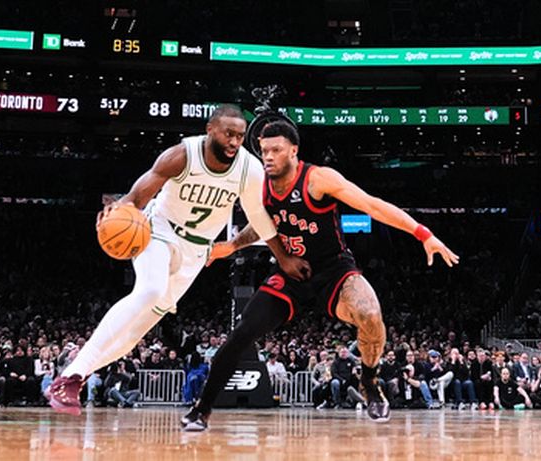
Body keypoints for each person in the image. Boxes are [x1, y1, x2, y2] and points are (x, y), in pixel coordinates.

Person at [181, 121, 459, 430]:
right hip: (289, 272)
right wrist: (232, 246)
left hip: (334, 269)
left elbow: (372, 206)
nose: (268, 157)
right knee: (242, 332)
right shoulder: (260, 184)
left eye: (276, 150)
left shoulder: (318, 179)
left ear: (294, 151)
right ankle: (201, 408)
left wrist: (423, 234)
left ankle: (369, 379)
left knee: (370, 313)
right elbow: (261, 224)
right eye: (263, 151)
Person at [46, 105, 309, 415]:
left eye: (240, 136)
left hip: (195, 252)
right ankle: (71, 377)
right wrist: (123, 208)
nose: (235, 141)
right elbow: (140, 192)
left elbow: (260, 218)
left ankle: (76, 374)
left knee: (133, 335)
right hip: (158, 231)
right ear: (211, 129)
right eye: (228, 134)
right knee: (150, 290)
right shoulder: (183, 155)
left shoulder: (248, 169)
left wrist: (283, 258)